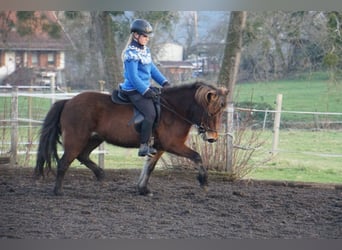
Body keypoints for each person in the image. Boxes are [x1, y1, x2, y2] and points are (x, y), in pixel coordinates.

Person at [119, 19, 170, 157]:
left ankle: (153, 141)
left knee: (160, 107)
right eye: (145, 36)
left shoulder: (145, 50)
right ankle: (143, 145)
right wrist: (146, 91)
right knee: (150, 114)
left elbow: (152, 69)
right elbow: (133, 77)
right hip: (133, 89)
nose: (147, 39)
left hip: (144, 87)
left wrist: (165, 82)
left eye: (148, 36)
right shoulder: (131, 53)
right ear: (136, 35)